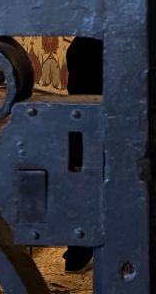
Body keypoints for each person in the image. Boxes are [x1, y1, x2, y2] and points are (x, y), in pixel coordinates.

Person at [62, 36, 103, 274]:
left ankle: (77, 254)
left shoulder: (78, 44)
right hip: (103, 123)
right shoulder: (109, 43)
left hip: (78, 122)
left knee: (80, 187)